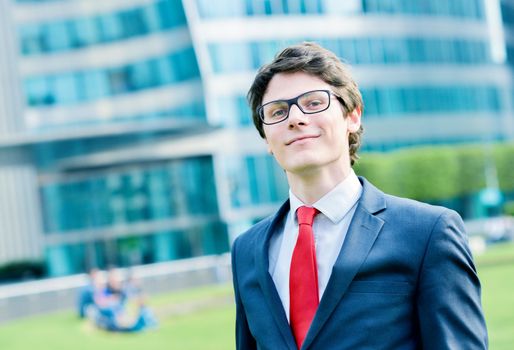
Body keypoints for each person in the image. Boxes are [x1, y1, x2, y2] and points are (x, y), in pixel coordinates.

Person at [231, 42, 488, 349]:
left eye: (314, 103)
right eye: (277, 111)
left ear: (352, 117)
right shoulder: (245, 250)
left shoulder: (428, 233)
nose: (295, 118)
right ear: (266, 140)